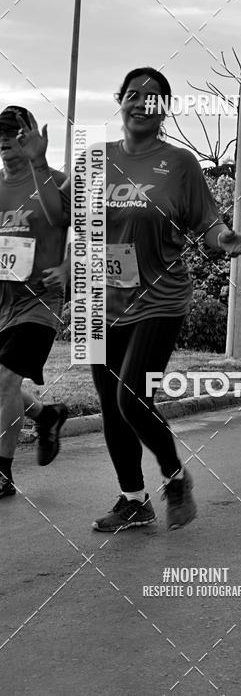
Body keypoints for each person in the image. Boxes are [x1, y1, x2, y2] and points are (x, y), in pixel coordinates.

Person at [18, 69, 241, 531]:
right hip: (98, 301)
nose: (140, 104)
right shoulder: (95, 161)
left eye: (152, 98)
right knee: (111, 404)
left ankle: (174, 477)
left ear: (164, 110)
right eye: (132, 95)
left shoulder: (180, 163)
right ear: (119, 102)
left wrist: (223, 237)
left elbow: (205, 220)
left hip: (159, 299)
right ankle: (133, 499)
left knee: (132, 398)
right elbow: (57, 213)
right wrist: (38, 164)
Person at [0, 106, 70, 500]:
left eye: (15, 133)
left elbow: (98, 234)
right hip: (2, 304)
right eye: (1, 135)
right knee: (0, 385)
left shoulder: (56, 184)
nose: (6, 142)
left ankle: (3, 474)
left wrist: (68, 267)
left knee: (5, 380)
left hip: (39, 304)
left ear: (30, 137)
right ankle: (47, 415)